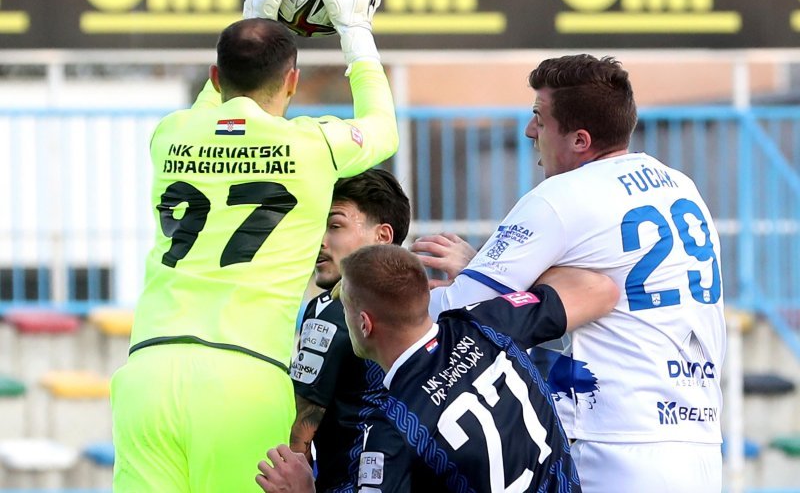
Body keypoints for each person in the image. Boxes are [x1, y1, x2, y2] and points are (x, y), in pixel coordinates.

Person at [111, 0, 398, 492]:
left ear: (217, 78)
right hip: (244, 376)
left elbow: (213, 100)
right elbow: (383, 128)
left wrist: (256, 14)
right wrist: (355, 28)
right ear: (292, 82)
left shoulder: (171, 133)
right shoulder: (314, 146)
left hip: (147, 371)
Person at [412, 55, 726, 492]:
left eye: (539, 118)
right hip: (700, 446)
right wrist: (485, 267)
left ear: (580, 140)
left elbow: (456, 313)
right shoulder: (679, 184)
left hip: (614, 447)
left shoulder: (562, 195)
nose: (529, 132)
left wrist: (360, 302)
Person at [258, 244, 618, 493]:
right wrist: (485, 272)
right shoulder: (487, 323)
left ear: (364, 324)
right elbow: (600, 288)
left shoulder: (391, 428)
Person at [289, 168, 411, 491]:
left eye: (335, 225)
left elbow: (297, 436)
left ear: (382, 237)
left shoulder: (334, 308)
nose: (321, 240)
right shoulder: (426, 302)